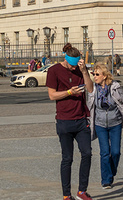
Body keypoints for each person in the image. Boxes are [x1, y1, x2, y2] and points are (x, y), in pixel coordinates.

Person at [47, 43, 94, 200]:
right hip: (64, 121)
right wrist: (69, 92)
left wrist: (84, 71)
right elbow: (52, 95)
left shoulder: (80, 70)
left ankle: (82, 191)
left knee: (87, 153)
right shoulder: (54, 71)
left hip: (81, 119)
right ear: (66, 59)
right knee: (67, 158)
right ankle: (66, 195)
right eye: (72, 65)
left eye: (77, 65)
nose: (74, 68)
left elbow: (90, 89)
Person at [89, 65, 123, 189]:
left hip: (115, 122)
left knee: (116, 152)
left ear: (104, 76)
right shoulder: (93, 89)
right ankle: (106, 180)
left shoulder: (115, 86)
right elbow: (90, 105)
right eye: (94, 74)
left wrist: (120, 99)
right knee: (105, 152)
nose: (94, 77)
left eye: (97, 74)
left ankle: (111, 172)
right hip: (100, 123)